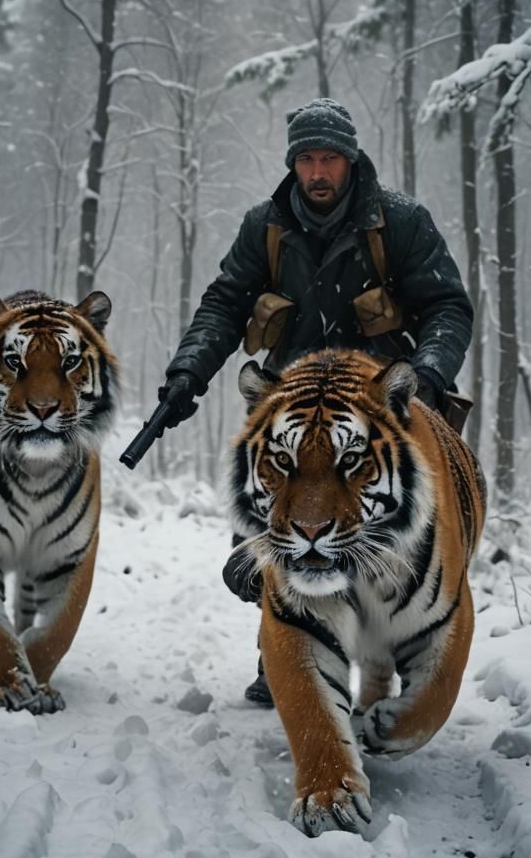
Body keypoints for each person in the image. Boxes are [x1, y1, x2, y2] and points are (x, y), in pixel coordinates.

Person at [155, 98, 473, 705]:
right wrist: (186, 375)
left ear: (350, 161)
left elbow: (448, 307)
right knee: (281, 533)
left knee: (399, 540)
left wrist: (427, 377)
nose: (319, 172)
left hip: (377, 413)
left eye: (330, 158)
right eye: (307, 160)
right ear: (293, 165)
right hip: (292, 412)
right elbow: (224, 305)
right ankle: (282, 655)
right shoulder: (265, 227)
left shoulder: (400, 222)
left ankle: (402, 658)